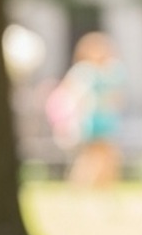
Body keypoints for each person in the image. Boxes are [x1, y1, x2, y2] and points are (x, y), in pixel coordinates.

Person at [49, 31, 126, 186]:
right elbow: (74, 95)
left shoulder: (110, 71)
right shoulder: (84, 72)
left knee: (106, 155)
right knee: (94, 155)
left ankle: (100, 185)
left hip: (106, 119)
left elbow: (117, 97)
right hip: (91, 119)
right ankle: (84, 184)